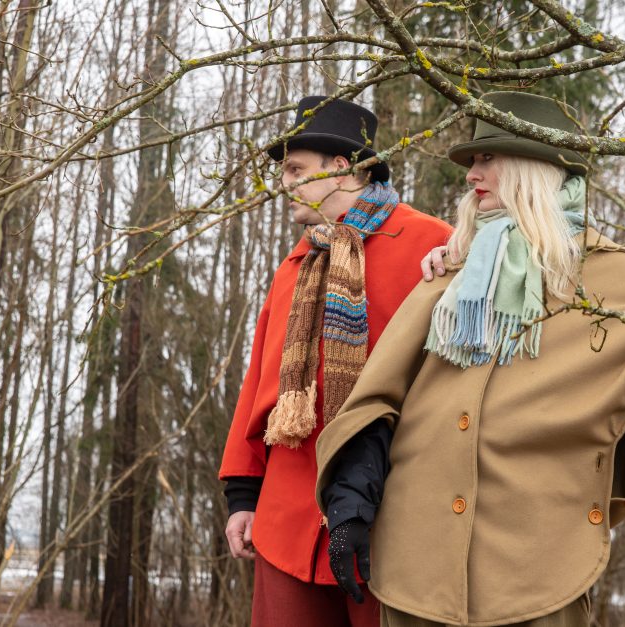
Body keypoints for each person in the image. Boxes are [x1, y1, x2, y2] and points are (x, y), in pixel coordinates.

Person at [313, 91, 625, 627]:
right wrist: (352, 504)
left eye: (488, 158)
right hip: (416, 569)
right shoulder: (453, 271)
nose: (472, 174)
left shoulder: (614, 282)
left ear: (536, 166)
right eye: (472, 160)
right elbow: (384, 399)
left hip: (538, 575)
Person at [219, 95, 453, 627]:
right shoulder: (296, 265)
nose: (284, 183)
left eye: (296, 169)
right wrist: (243, 495)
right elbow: (259, 384)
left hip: (390, 522)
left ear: (341, 167)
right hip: (285, 523)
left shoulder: (432, 247)